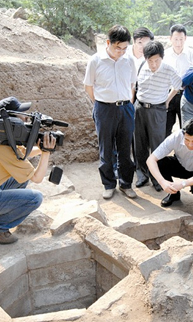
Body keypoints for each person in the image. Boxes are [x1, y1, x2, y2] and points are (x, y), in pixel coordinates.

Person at [0, 97, 57, 244]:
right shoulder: (3, 149)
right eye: (21, 115)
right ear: (9, 119)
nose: (26, 118)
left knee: (22, 178)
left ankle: (6, 214)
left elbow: (21, 153)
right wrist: (46, 153)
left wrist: (40, 148)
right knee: (35, 198)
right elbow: (37, 178)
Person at [83, 25, 137, 200]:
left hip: (126, 108)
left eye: (124, 48)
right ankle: (108, 184)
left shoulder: (128, 60)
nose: (121, 52)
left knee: (125, 148)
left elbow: (131, 84)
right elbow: (88, 86)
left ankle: (126, 184)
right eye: (117, 47)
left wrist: (128, 102)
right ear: (108, 43)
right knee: (106, 149)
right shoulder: (96, 60)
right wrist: (99, 104)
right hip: (104, 108)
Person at [134, 41, 183, 191]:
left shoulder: (168, 69)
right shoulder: (141, 66)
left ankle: (157, 178)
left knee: (157, 145)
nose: (153, 64)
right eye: (150, 60)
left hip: (157, 110)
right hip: (140, 108)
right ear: (145, 58)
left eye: (157, 60)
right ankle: (142, 174)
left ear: (162, 58)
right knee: (139, 143)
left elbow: (179, 85)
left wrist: (167, 100)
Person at [146, 119, 193, 210]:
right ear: (183, 134)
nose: (190, 144)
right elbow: (150, 160)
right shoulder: (176, 137)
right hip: (180, 165)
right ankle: (173, 193)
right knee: (159, 164)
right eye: (187, 140)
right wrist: (162, 182)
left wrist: (183, 184)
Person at [163, 24, 193, 137]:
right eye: (175, 39)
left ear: (185, 38)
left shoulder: (192, 54)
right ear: (170, 39)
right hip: (168, 94)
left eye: (181, 39)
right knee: (166, 127)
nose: (178, 43)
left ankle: (184, 153)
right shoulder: (165, 54)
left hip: (186, 94)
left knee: (187, 127)